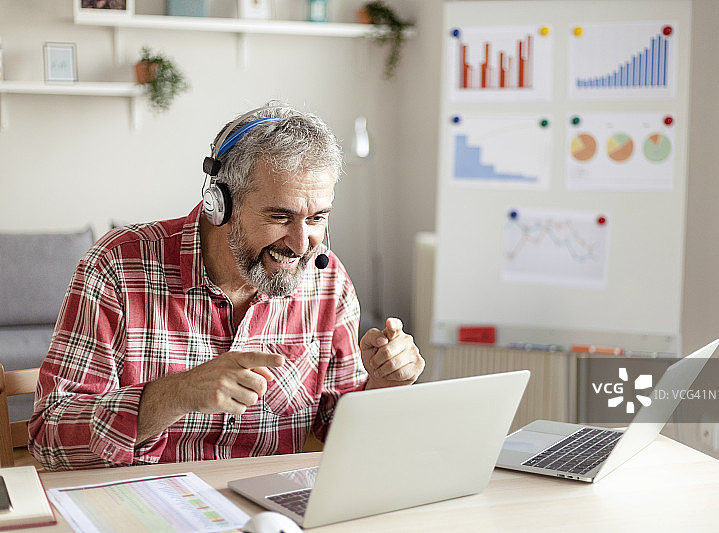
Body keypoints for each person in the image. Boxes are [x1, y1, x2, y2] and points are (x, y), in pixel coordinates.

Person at [29, 101, 425, 470]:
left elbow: (340, 433)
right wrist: (173, 394)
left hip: (266, 512)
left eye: (318, 218)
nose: (302, 243)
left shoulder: (327, 280)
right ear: (219, 204)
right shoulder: (117, 266)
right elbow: (49, 437)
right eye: (281, 217)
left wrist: (383, 386)